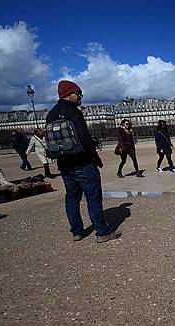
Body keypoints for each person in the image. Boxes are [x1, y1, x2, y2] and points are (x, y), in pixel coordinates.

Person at [46, 80, 121, 243]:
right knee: (93, 198)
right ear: (67, 94)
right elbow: (85, 140)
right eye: (78, 93)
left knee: (72, 198)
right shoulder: (74, 113)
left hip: (64, 165)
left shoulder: (50, 114)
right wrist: (95, 158)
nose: (80, 97)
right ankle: (102, 232)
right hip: (82, 163)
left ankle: (77, 232)